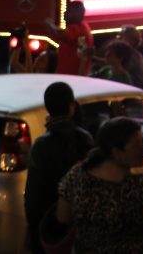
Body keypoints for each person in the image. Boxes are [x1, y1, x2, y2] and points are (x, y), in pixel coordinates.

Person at [55, 117, 143, 254]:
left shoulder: (77, 173)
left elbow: (62, 216)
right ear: (116, 152)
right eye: (136, 144)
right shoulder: (141, 187)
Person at [25, 82, 94, 254]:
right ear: (72, 107)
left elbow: (33, 196)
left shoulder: (41, 145)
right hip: (78, 223)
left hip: (48, 222)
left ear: (47, 107)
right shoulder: (85, 139)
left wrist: (33, 231)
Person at [46, 0, 95, 77]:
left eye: (68, 11)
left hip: (71, 76)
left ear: (78, 13)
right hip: (70, 75)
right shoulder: (81, 27)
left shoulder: (78, 29)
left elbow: (61, 34)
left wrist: (50, 25)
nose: (65, 13)